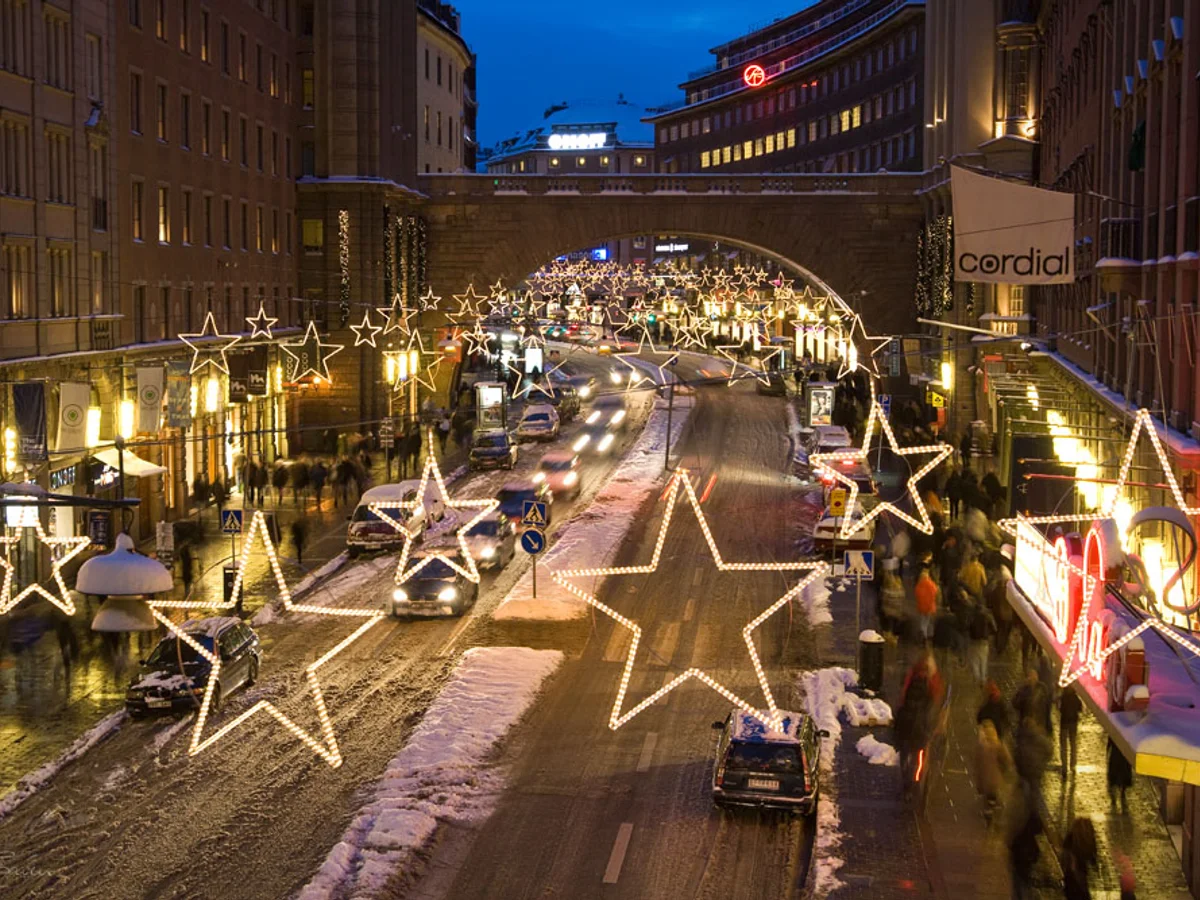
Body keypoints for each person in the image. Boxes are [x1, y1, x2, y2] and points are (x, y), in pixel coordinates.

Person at [1008, 778, 1043, 900]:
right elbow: (1038, 826)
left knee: (1018, 880)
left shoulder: (1015, 792)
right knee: (1022, 880)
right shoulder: (1031, 795)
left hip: (1018, 846)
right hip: (1023, 847)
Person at [975, 720, 1011, 820]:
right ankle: (993, 812)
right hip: (996, 779)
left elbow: (977, 764)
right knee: (994, 797)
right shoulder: (999, 745)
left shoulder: (981, 747)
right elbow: (1007, 760)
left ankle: (989, 812)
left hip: (985, 780)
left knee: (989, 798)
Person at [1060, 816, 1098, 900]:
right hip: (1079, 879)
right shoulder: (1087, 841)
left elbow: (1064, 859)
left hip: (1071, 880)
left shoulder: (1070, 839)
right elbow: (1093, 859)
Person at [1013, 669, 1052, 737]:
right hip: (1026, 725)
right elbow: (1015, 704)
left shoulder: (1042, 688)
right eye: (1030, 676)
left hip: (1040, 725)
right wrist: (1021, 689)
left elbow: (1047, 706)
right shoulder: (1024, 690)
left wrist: (1048, 724)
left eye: (1034, 676)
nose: (1033, 678)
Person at [966, 600, 995, 684]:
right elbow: (994, 628)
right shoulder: (987, 616)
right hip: (984, 642)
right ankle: (983, 679)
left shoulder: (972, 616)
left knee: (974, 661)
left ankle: (977, 678)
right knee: (983, 660)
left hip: (973, 641)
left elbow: (967, 626)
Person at [1059, 686, 1083, 782]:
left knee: (1064, 746)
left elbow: (1060, 709)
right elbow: (1080, 708)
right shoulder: (1076, 698)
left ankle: (1064, 767)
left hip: (1064, 723)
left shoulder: (1063, 697)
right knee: (1073, 744)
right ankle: (1072, 765)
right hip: (1073, 723)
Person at [1107, 737, 1133, 812]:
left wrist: (1108, 748)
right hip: (1123, 753)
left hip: (1117, 753)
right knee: (1122, 770)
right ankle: (1121, 790)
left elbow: (1110, 739)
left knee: (1117, 770)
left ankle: (1118, 789)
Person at [915, 568, 939, 643]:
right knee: (929, 621)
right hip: (930, 607)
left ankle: (923, 635)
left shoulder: (919, 586)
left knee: (923, 622)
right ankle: (930, 635)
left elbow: (917, 595)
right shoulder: (931, 584)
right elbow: (936, 592)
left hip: (922, 607)